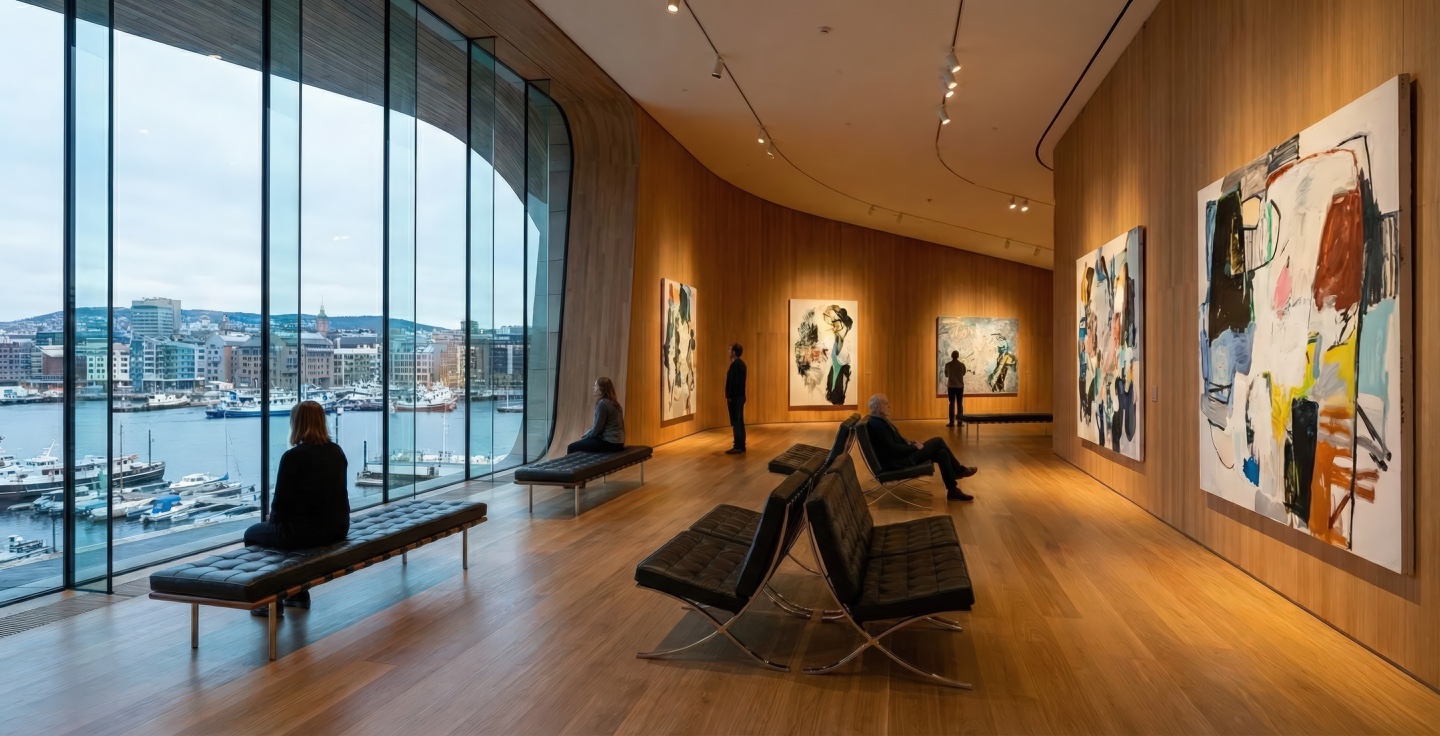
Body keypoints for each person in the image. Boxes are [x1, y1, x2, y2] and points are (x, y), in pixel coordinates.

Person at [244, 400, 349, 615]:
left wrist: (270, 518)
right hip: (337, 528)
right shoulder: (336, 452)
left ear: (297, 423)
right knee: (280, 532)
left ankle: (268, 597)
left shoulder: (293, 457)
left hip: (304, 533)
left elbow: (281, 504)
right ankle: (298, 592)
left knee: (252, 533)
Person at [865, 393, 978, 502]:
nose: (889, 406)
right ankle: (958, 470)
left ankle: (953, 490)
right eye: (886, 403)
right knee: (938, 441)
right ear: (876, 407)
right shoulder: (878, 425)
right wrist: (914, 447)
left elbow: (894, 444)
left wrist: (911, 443)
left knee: (942, 453)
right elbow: (892, 449)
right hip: (900, 461)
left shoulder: (879, 421)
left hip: (901, 457)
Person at [567, 377, 625, 453]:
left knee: (571, 447)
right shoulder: (615, 403)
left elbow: (598, 430)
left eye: (595, 386)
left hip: (610, 443)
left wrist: (586, 436)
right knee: (586, 442)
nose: (593, 388)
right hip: (619, 442)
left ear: (601, 389)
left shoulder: (603, 404)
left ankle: (571, 465)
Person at [725, 343, 747, 454]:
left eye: (730, 350)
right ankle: (741, 444)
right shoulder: (742, 364)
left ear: (734, 352)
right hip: (741, 396)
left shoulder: (734, 365)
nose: (729, 352)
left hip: (735, 398)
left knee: (736, 422)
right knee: (740, 421)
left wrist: (729, 396)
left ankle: (737, 445)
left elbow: (732, 382)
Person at [944, 350, 967, 427]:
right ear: (958, 356)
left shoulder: (948, 365)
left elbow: (946, 375)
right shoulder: (962, 365)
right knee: (960, 404)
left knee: (951, 404)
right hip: (960, 386)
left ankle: (951, 422)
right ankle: (960, 422)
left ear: (951, 356)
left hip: (951, 386)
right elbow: (963, 373)